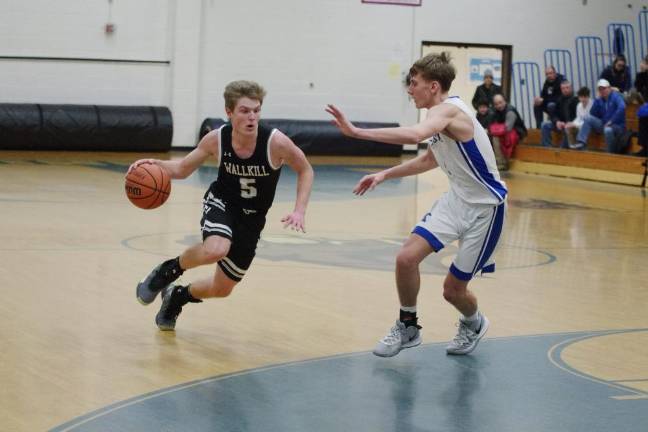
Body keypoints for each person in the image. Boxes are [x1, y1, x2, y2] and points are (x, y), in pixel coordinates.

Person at [326, 52, 506, 357]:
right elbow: (428, 159)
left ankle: (474, 323)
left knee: (452, 291)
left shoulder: (450, 112)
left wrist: (357, 132)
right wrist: (385, 174)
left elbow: (415, 135)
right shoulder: (439, 116)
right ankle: (408, 325)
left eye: (414, 83)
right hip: (456, 201)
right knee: (405, 259)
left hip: (485, 209)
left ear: (433, 86)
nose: (410, 90)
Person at [130, 80, 314, 330]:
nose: (252, 117)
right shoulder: (216, 139)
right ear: (229, 112)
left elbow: (305, 169)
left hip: (252, 219)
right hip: (223, 202)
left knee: (222, 288)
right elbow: (182, 169)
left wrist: (299, 210)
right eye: (245, 111)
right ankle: (166, 272)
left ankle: (177, 296)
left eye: (256, 110)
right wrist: (149, 164)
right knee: (216, 248)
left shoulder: (276, 142)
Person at [575, 79, 626, 153]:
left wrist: (611, 121)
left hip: (618, 126)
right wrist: (597, 100)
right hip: (604, 124)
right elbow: (593, 113)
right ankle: (581, 142)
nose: (602, 91)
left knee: (607, 130)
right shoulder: (600, 100)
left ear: (609, 88)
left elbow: (622, 107)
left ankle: (611, 152)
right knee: (588, 118)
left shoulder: (616, 96)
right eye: (600, 89)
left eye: (604, 88)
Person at [490, 94, 527, 170]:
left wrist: (494, 130)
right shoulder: (495, 111)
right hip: (505, 132)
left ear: (505, 101)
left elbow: (507, 128)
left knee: (496, 138)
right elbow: (491, 125)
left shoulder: (510, 111)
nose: (499, 105)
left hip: (518, 133)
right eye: (496, 104)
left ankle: (501, 164)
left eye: (500, 102)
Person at [540, 80, 578, 148]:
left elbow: (579, 117)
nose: (565, 90)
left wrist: (570, 123)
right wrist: (557, 121)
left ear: (571, 88)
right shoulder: (560, 100)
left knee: (568, 128)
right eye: (563, 88)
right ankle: (547, 148)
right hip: (561, 124)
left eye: (567, 87)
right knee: (544, 125)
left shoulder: (576, 100)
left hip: (572, 125)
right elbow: (553, 114)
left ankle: (561, 151)